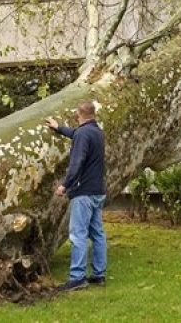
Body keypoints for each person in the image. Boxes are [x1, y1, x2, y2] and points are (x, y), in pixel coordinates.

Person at [45, 101, 107, 292]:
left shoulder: (83, 133)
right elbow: (76, 134)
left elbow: (77, 161)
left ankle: (77, 277)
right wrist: (58, 128)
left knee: (78, 234)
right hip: (98, 191)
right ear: (93, 115)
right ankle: (99, 274)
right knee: (97, 234)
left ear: (78, 115)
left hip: (84, 192)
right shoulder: (97, 133)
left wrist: (65, 185)